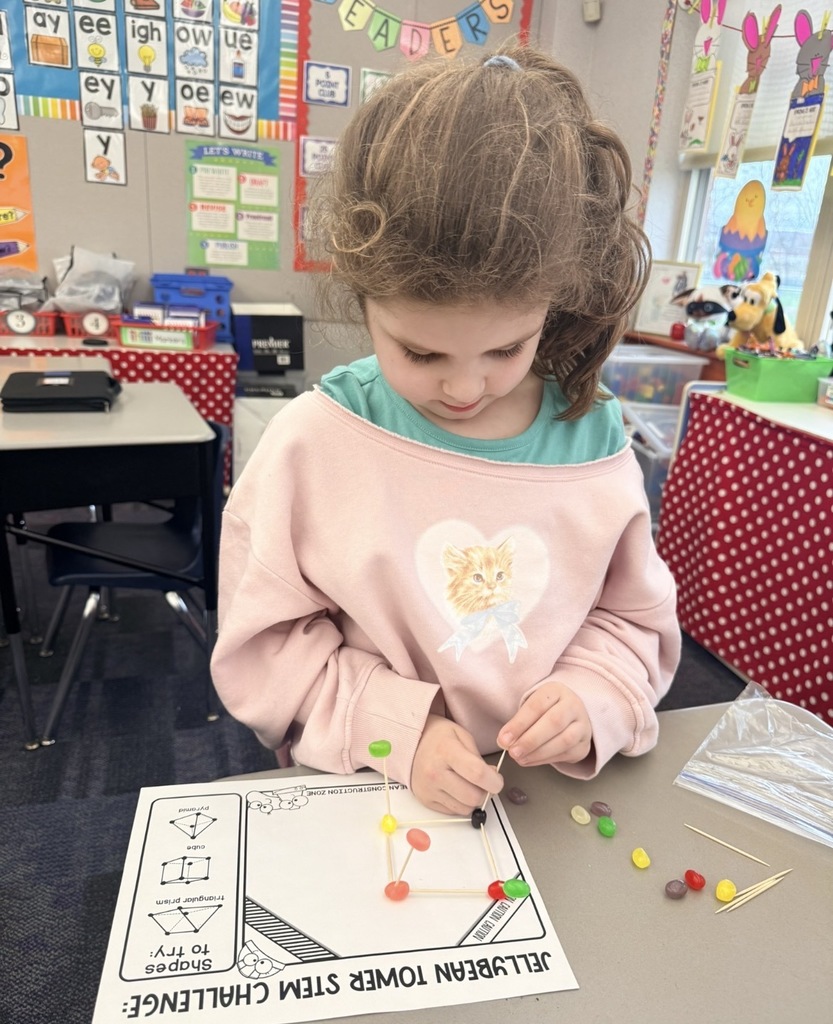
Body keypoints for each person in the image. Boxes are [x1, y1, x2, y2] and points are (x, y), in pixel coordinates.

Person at [211, 43, 681, 816]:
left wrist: (590, 695)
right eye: (419, 351)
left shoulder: (592, 440)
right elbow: (264, 652)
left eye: (507, 348)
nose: (465, 387)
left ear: (552, 310)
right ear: (359, 299)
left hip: (547, 808)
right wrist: (398, 730)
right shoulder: (312, 444)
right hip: (368, 799)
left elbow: (630, 623)